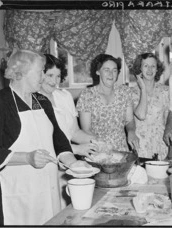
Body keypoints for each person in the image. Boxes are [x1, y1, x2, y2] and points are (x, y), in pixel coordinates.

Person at [0, 50, 90, 225]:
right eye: (40, 71)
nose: (43, 77)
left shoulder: (41, 100)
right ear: (21, 73)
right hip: (19, 192)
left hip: (48, 188)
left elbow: (59, 139)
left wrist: (73, 163)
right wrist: (27, 157)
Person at [39, 54, 99, 209]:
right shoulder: (32, 101)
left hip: (69, 164)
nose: (55, 81)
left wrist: (95, 142)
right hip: (46, 166)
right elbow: (45, 143)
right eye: (50, 75)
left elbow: (74, 132)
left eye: (58, 76)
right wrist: (78, 149)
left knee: (70, 209)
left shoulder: (64, 96)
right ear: (39, 74)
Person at [76, 54, 139, 152]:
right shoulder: (87, 95)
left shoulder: (124, 92)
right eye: (106, 70)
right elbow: (86, 129)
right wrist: (103, 147)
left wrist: (131, 132)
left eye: (114, 70)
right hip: (98, 150)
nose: (111, 74)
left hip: (121, 150)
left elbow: (129, 120)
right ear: (98, 72)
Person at [130, 53, 169, 160]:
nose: (150, 69)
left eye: (153, 66)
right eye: (146, 66)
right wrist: (143, 88)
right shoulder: (132, 92)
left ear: (157, 69)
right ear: (140, 69)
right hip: (140, 145)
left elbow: (168, 121)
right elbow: (141, 114)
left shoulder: (165, 91)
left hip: (161, 145)